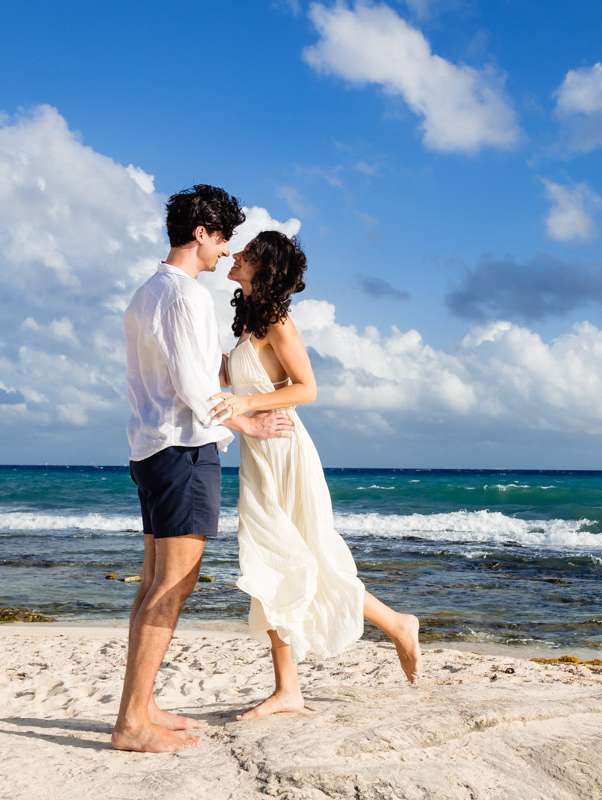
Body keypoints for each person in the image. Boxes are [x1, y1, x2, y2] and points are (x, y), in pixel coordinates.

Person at [112, 186, 294, 753]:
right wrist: (249, 424)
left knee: (152, 584)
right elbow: (195, 385)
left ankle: (140, 707)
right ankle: (131, 725)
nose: (224, 252)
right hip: (186, 450)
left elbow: (179, 373)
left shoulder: (145, 294)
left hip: (148, 450)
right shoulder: (187, 297)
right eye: (222, 240)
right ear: (200, 234)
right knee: (173, 584)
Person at [212, 231, 420, 721]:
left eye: (245, 252)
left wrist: (246, 401)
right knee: (276, 565)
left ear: (261, 266)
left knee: (294, 560)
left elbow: (307, 389)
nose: (235, 255)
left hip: (285, 453)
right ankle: (294, 687)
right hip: (259, 456)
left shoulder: (278, 320)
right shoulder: (248, 322)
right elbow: (250, 382)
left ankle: (394, 627)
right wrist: (225, 380)